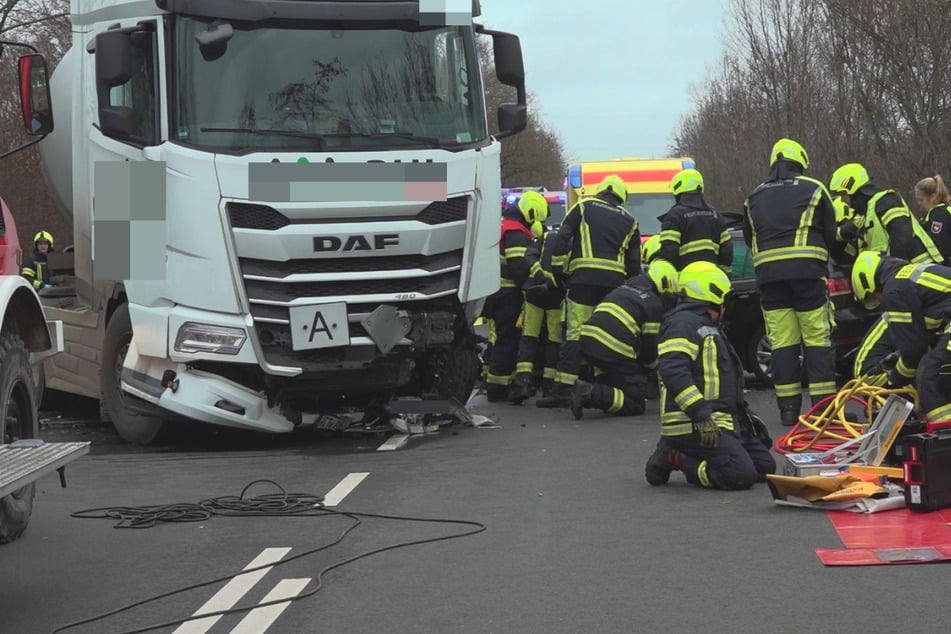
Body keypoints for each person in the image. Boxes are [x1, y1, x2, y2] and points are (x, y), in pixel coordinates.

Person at [645, 261, 776, 489]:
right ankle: (675, 456)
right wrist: (700, 415)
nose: (726, 305)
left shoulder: (708, 326)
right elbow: (673, 371)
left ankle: (703, 455)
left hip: (720, 420)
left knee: (764, 468)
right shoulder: (682, 324)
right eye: (724, 298)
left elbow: (721, 382)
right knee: (740, 475)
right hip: (693, 424)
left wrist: (747, 419)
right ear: (711, 293)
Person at [743, 138, 838, 426]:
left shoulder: (753, 196)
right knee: (816, 340)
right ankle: (821, 410)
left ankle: (788, 411)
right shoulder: (814, 188)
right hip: (808, 276)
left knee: (782, 344)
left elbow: (749, 238)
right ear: (800, 162)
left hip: (770, 280)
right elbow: (830, 231)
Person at [537, 175, 640, 408]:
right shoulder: (630, 220)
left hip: (583, 281)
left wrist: (556, 269)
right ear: (621, 197)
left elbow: (563, 237)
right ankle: (602, 386)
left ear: (601, 191)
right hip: (613, 287)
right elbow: (634, 263)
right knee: (604, 334)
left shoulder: (582, 207)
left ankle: (564, 389)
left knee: (575, 332)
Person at [569, 259, 679, 419]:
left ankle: (598, 392)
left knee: (615, 389)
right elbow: (649, 349)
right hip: (612, 347)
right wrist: (651, 370)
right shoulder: (654, 304)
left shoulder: (624, 289)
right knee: (636, 402)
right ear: (663, 287)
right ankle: (588, 392)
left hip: (588, 339)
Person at [481, 191, 548, 401]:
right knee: (508, 339)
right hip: (507, 292)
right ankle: (498, 388)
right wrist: (529, 287)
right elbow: (518, 266)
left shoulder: (505, 225)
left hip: (495, 291)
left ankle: (498, 381)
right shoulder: (515, 231)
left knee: (502, 337)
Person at [850, 250, 951, 389]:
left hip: (871, 371)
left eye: (873, 297)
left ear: (871, 283)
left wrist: (895, 379)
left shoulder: (894, 290)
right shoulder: (911, 276)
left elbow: (914, 350)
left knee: (928, 376)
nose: (879, 302)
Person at [830, 163, 942, 265]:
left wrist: (892, 270)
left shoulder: (886, 201)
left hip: (920, 272)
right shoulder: (866, 215)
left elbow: (902, 235)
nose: (842, 200)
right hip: (907, 277)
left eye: (842, 195)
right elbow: (848, 255)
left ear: (852, 189)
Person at [509, 219, 565, 404]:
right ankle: (549, 386)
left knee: (529, 337)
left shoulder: (545, 237)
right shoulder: (572, 242)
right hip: (556, 296)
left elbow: (530, 256)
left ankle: (522, 382)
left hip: (534, 292)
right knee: (554, 339)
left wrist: (539, 276)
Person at [657, 168, 733, 271]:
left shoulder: (675, 215)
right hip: (712, 275)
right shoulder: (715, 214)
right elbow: (727, 253)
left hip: (685, 278)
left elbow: (669, 252)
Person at [914, 174, 951, 264]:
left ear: (933, 197)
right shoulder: (946, 210)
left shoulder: (938, 215)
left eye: (921, 200)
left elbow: (938, 246)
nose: (919, 204)